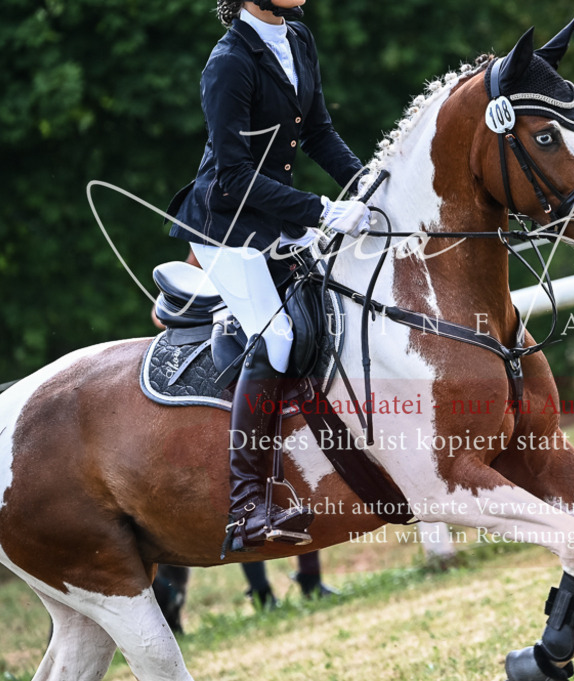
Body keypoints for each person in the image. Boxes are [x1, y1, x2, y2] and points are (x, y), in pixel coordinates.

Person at [167, 0, 372, 554]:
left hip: (275, 218)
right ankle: (247, 507)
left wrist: (370, 188)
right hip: (222, 227)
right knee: (276, 336)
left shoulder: (298, 37)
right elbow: (233, 176)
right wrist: (319, 211)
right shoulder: (229, 62)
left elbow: (320, 134)